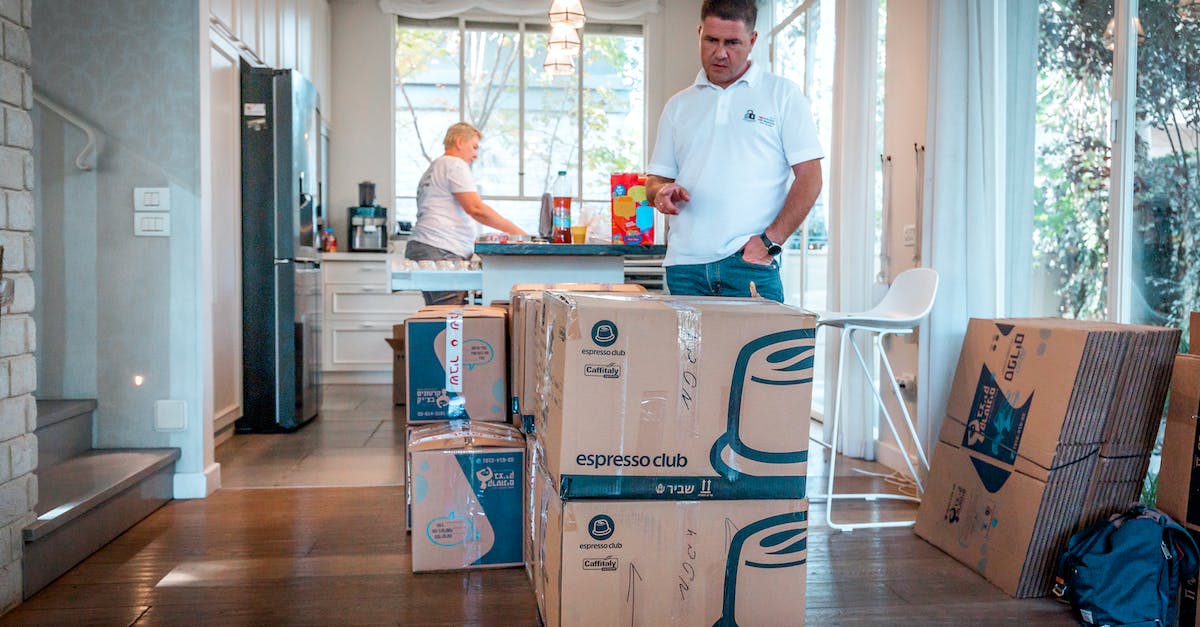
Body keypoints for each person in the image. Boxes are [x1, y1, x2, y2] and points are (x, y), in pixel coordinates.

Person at [645, 0, 824, 303]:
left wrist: (770, 241)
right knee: (689, 354)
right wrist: (660, 193)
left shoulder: (782, 95)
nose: (720, 53)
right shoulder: (678, 106)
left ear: (752, 41)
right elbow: (654, 181)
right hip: (684, 268)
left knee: (763, 353)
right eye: (711, 40)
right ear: (699, 32)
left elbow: (810, 179)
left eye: (732, 42)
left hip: (749, 264)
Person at [406, 122, 526, 305]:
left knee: (438, 315)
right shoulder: (455, 164)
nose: (476, 154)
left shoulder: (435, 167)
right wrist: (519, 234)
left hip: (428, 245)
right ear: (460, 142)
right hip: (441, 248)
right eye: (474, 147)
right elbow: (476, 209)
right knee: (449, 317)